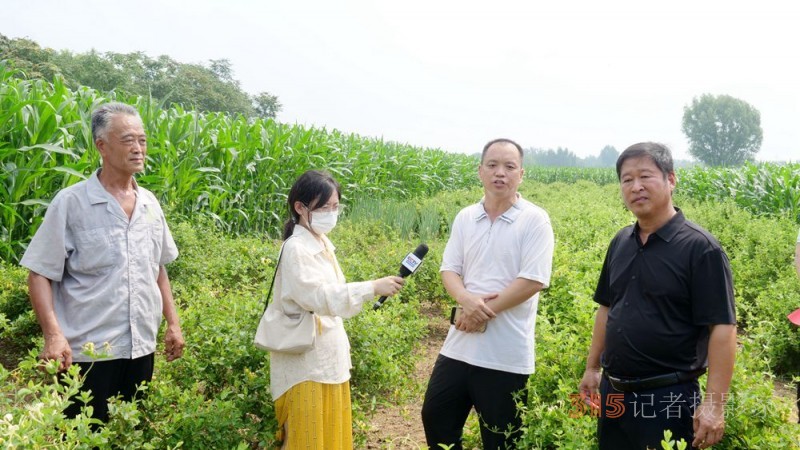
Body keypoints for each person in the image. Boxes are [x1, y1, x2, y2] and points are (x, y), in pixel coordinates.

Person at [19, 102, 185, 422]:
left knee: (128, 434)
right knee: (86, 437)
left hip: (141, 348)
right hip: (89, 354)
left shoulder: (150, 204)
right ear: (102, 146)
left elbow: (158, 268)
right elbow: (40, 273)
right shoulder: (72, 203)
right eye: (128, 140)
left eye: (143, 140)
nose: (138, 148)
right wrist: (53, 335)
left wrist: (173, 324)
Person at [578, 142, 736, 450]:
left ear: (671, 179)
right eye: (627, 179)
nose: (636, 186)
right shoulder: (620, 241)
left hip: (667, 395)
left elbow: (723, 329)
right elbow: (606, 309)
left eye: (645, 176)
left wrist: (715, 405)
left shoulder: (701, 249)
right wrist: (592, 368)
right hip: (614, 391)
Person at [421, 138, 555, 450]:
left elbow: (533, 280)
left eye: (509, 167)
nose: (500, 173)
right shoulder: (466, 216)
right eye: (492, 165)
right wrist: (467, 301)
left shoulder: (535, 219)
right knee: (435, 416)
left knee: (500, 437)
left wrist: (479, 311)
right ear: (480, 171)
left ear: (521, 174)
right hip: (459, 345)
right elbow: (449, 269)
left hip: (505, 354)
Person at [268, 169, 405, 449]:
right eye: (324, 207)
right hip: (305, 367)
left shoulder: (323, 244)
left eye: (335, 207)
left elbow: (333, 301)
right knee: (308, 441)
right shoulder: (296, 248)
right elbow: (318, 297)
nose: (331, 213)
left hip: (329, 363)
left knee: (330, 438)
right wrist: (370, 287)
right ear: (300, 207)